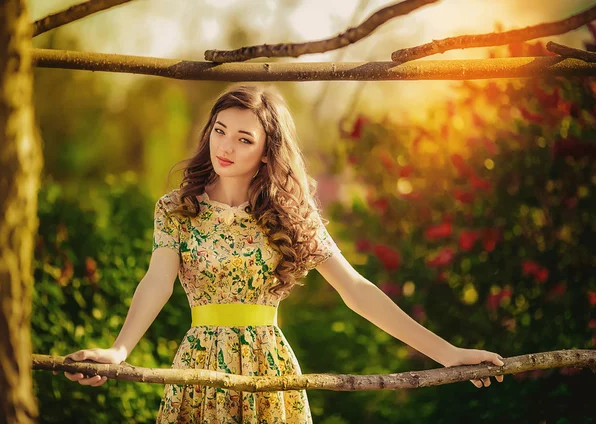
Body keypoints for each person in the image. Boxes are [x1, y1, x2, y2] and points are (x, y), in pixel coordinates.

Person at [55, 84, 505, 422]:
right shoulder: (177, 208)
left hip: (270, 372)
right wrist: (118, 351)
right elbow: (157, 282)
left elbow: (355, 289)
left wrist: (446, 352)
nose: (225, 147)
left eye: (244, 139)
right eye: (220, 131)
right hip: (196, 369)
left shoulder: (291, 214)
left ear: (268, 151)